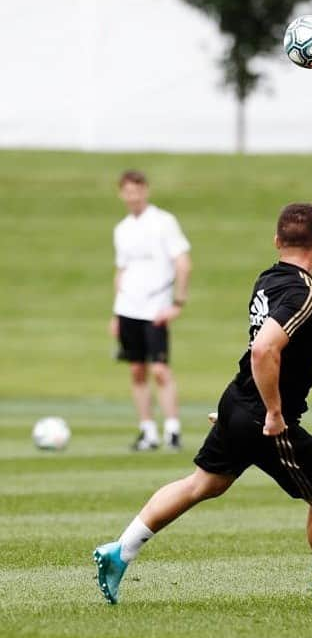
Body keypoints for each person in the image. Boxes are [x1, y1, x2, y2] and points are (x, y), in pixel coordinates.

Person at [93, 203, 312, 605]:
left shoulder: (269, 279)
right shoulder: (305, 293)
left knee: (203, 483)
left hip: (237, 401)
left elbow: (280, 341)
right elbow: (265, 349)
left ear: (277, 241)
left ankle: (120, 550)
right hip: (265, 418)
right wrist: (273, 413)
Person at [110, 170, 192, 450]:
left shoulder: (163, 222)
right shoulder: (121, 229)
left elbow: (182, 262)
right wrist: (115, 312)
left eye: (137, 189)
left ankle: (172, 429)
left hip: (155, 306)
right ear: (122, 193)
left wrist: (177, 302)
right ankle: (147, 431)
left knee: (160, 369)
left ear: (145, 190)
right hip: (128, 307)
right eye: (127, 191)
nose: (133, 196)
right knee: (136, 370)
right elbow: (121, 271)